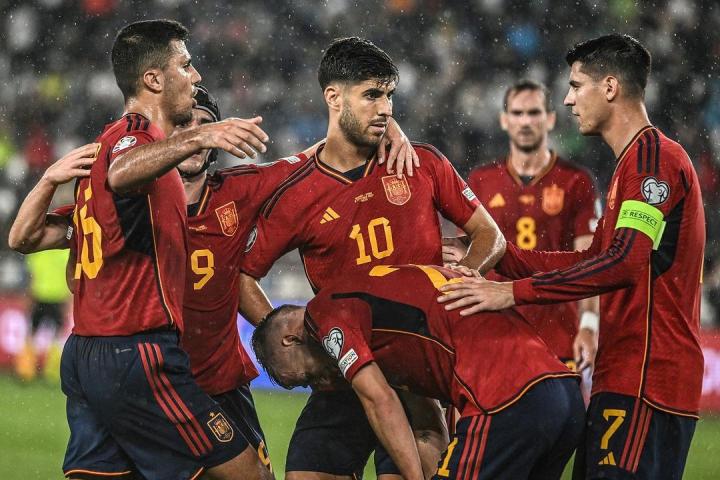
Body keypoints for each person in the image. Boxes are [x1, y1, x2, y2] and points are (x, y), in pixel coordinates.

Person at [12, 19, 278, 480]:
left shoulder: (104, 147)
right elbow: (123, 173)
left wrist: (49, 180)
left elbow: (23, 239)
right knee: (249, 474)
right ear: (153, 79)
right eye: (185, 65)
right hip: (137, 350)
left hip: (88, 352)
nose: (195, 76)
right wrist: (200, 135)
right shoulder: (135, 136)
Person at [438, 34, 704, 480]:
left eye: (577, 85)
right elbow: (590, 259)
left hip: (646, 376)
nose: (568, 99)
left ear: (610, 87)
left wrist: (512, 292)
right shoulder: (631, 164)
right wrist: (499, 256)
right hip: (625, 374)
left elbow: (623, 263)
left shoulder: (652, 160)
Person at [239, 36, 505, 480]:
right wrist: (299, 338)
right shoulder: (297, 193)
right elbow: (243, 276)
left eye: (389, 95)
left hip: (415, 372)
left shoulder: (420, 163)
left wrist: (462, 278)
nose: (386, 109)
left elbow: (490, 235)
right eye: (371, 95)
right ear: (333, 97)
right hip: (345, 370)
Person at [251, 264, 585, 479]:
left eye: (308, 377)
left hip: (507, 399)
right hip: (562, 395)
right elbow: (427, 420)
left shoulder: (323, 313)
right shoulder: (387, 323)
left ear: (290, 338)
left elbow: (380, 401)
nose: (322, 384)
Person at [464, 79, 600, 372]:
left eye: (534, 112)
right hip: (496, 330)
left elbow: (589, 263)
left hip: (559, 332)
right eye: (517, 113)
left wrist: (589, 324)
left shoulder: (576, 181)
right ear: (504, 120)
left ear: (550, 119)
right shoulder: (481, 180)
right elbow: (467, 257)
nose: (525, 121)